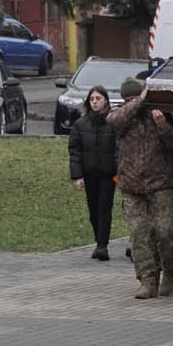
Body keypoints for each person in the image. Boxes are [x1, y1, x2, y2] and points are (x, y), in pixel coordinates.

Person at [108, 77, 173, 298]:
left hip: (160, 184)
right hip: (131, 185)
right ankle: (147, 280)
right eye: (130, 99)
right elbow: (114, 121)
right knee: (138, 235)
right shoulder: (121, 115)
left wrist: (162, 125)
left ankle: (170, 272)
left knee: (166, 232)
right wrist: (139, 101)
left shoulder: (159, 114)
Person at [68, 85, 119, 259]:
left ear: (105, 100)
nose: (95, 102)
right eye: (92, 99)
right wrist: (77, 176)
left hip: (108, 174)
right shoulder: (80, 124)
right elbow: (75, 151)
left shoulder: (113, 122)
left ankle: (102, 244)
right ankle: (98, 239)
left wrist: (118, 169)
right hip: (90, 174)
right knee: (93, 209)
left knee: (105, 207)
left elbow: (119, 148)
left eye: (98, 98)